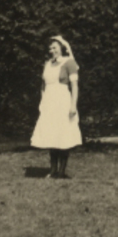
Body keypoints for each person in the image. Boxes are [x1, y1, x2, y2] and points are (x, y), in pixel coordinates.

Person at [31, 35, 82, 178]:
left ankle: (62, 171)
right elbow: (43, 86)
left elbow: (74, 86)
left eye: (55, 47)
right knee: (52, 135)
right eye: (50, 48)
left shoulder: (69, 62)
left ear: (62, 48)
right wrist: (42, 103)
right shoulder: (47, 64)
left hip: (63, 102)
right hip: (49, 104)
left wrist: (73, 106)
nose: (52, 50)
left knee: (63, 135)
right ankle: (53, 170)